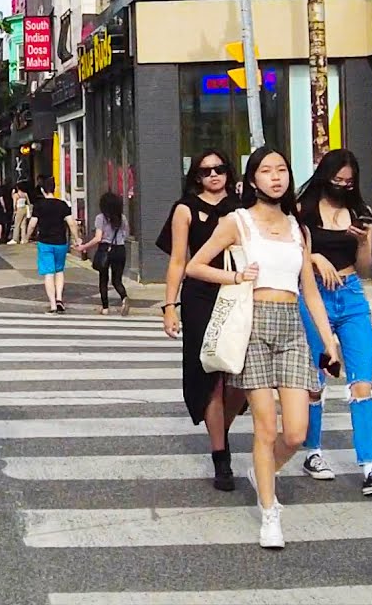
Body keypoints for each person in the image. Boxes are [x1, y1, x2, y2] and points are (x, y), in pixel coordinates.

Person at [185, 147, 342, 549]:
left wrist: (329, 342)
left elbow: (309, 291)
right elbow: (194, 266)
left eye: (282, 170)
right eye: (267, 171)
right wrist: (236, 276)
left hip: (291, 327)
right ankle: (269, 514)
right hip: (253, 324)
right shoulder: (237, 221)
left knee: (296, 431)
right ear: (252, 180)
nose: (276, 177)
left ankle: (263, 471)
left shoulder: (297, 228)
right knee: (265, 427)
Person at [295, 150, 372, 495]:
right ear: (324, 176)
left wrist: (361, 243)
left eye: (348, 182)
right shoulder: (304, 210)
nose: (342, 186)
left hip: (352, 293)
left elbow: (366, 266)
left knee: (362, 383)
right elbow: (291, 253)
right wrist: (314, 257)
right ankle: (312, 451)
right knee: (315, 379)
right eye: (336, 180)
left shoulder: (361, 212)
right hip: (315, 296)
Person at [161, 148, 247, 492]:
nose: (213, 175)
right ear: (196, 176)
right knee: (211, 376)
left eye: (220, 169)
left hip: (239, 293)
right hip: (200, 298)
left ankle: (219, 429)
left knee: (241, 375)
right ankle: (220, 454)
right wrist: (169, 305)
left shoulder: (242, 207)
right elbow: (178, 260)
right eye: (205, 170)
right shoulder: (185, 209)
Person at [26, 178, 79, 313]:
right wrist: (76, 238)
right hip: (61, 242)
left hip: (45, 243)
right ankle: (60, 298)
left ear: (43, 190)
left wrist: (26, 237)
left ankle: (53, 304)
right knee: (59, 271)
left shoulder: (39, 206)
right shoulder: (62, 205)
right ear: (54, 189)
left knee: (49, 273)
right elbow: (71, 223)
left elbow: (32, 224)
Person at [76, 192, 130, 315]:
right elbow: (126, 234)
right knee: (117, 280)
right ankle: (124, 297)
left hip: (106, 249)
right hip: (120, 249)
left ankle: (105, 307)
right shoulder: (122, 218)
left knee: (103, 278)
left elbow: (98, 238)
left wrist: (84, 246)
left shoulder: (101, 218)